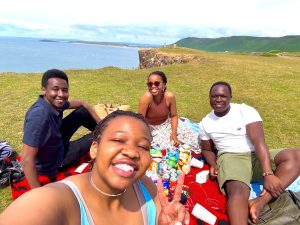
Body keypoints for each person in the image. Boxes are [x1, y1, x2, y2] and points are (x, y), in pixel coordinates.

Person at [0, 110, 190, 225]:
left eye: (143, 146)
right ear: (94, 149)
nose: (132, 152)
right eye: (118, 140)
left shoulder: (146, 188)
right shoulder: (55, 201)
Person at [198, 81, 300, 225]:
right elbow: (207, 149)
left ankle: (260, 201)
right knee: (238, 192)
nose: (218, 99)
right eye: (214, 96)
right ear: (209, 98)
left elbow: (259, 141)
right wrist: (213, 163)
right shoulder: (205, 123)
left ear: (230, 97)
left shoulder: (244, 110)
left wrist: (268, 173)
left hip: (255, 154)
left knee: (296, 156)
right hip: (231, 157)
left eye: (223, 96)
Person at [21, 69, 101, 189]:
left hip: (55, 141)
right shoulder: (39, 117)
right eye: (55, 89)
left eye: (64, 90)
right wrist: (38, 193)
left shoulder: (52, 102)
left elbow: (81, 104)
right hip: (55, 160)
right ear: (44, 90)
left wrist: (102, 123)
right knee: (98, 136)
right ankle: (106, 136)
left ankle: (105, 129)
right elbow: (26, 160)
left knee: (83, 113)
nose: (61, 94)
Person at [138, 71, 199, 150]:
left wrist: (173, 133)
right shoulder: (147, 97)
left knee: (193, 141)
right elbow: (139, 120)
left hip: (167, 123)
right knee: (169, 147)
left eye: (157, 83)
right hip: (151, 128)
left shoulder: (170, 97)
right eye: (150, 84)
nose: (153, 86)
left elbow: (174, 116)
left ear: (164, 85)